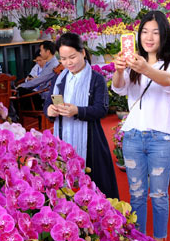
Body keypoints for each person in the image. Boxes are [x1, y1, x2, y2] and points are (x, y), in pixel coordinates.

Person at [111, 11, 170, 241]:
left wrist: (144, 68)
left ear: (164, 36)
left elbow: (167, 81)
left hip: (161, 140)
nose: (149, 37)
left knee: (159, 195)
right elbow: (118, 88)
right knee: (137, 194)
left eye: (155, 32)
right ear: (138, 35)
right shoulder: (132, 62)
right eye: (144, 31)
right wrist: (120, 69)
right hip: (132, 137)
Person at [45, 33, 119, 199]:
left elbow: (101, 110)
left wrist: (77, 111)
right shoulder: (58, 79)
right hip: (63, 140)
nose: (68, 63)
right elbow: (47, 105)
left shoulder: (96, 79)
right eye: (63, 59)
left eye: (72, 57)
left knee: (96, 188)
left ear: (83, 53)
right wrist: (50, 111)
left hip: (91, 141)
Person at [17, 40, 60, 110]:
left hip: (45, 95)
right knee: (20, 91)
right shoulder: (49, 63)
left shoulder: (53, 65)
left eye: (41, 50)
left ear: (48, 52)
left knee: (20, 91)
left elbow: (39, 80)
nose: (40, 53)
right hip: (42, 91)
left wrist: (22, 85)